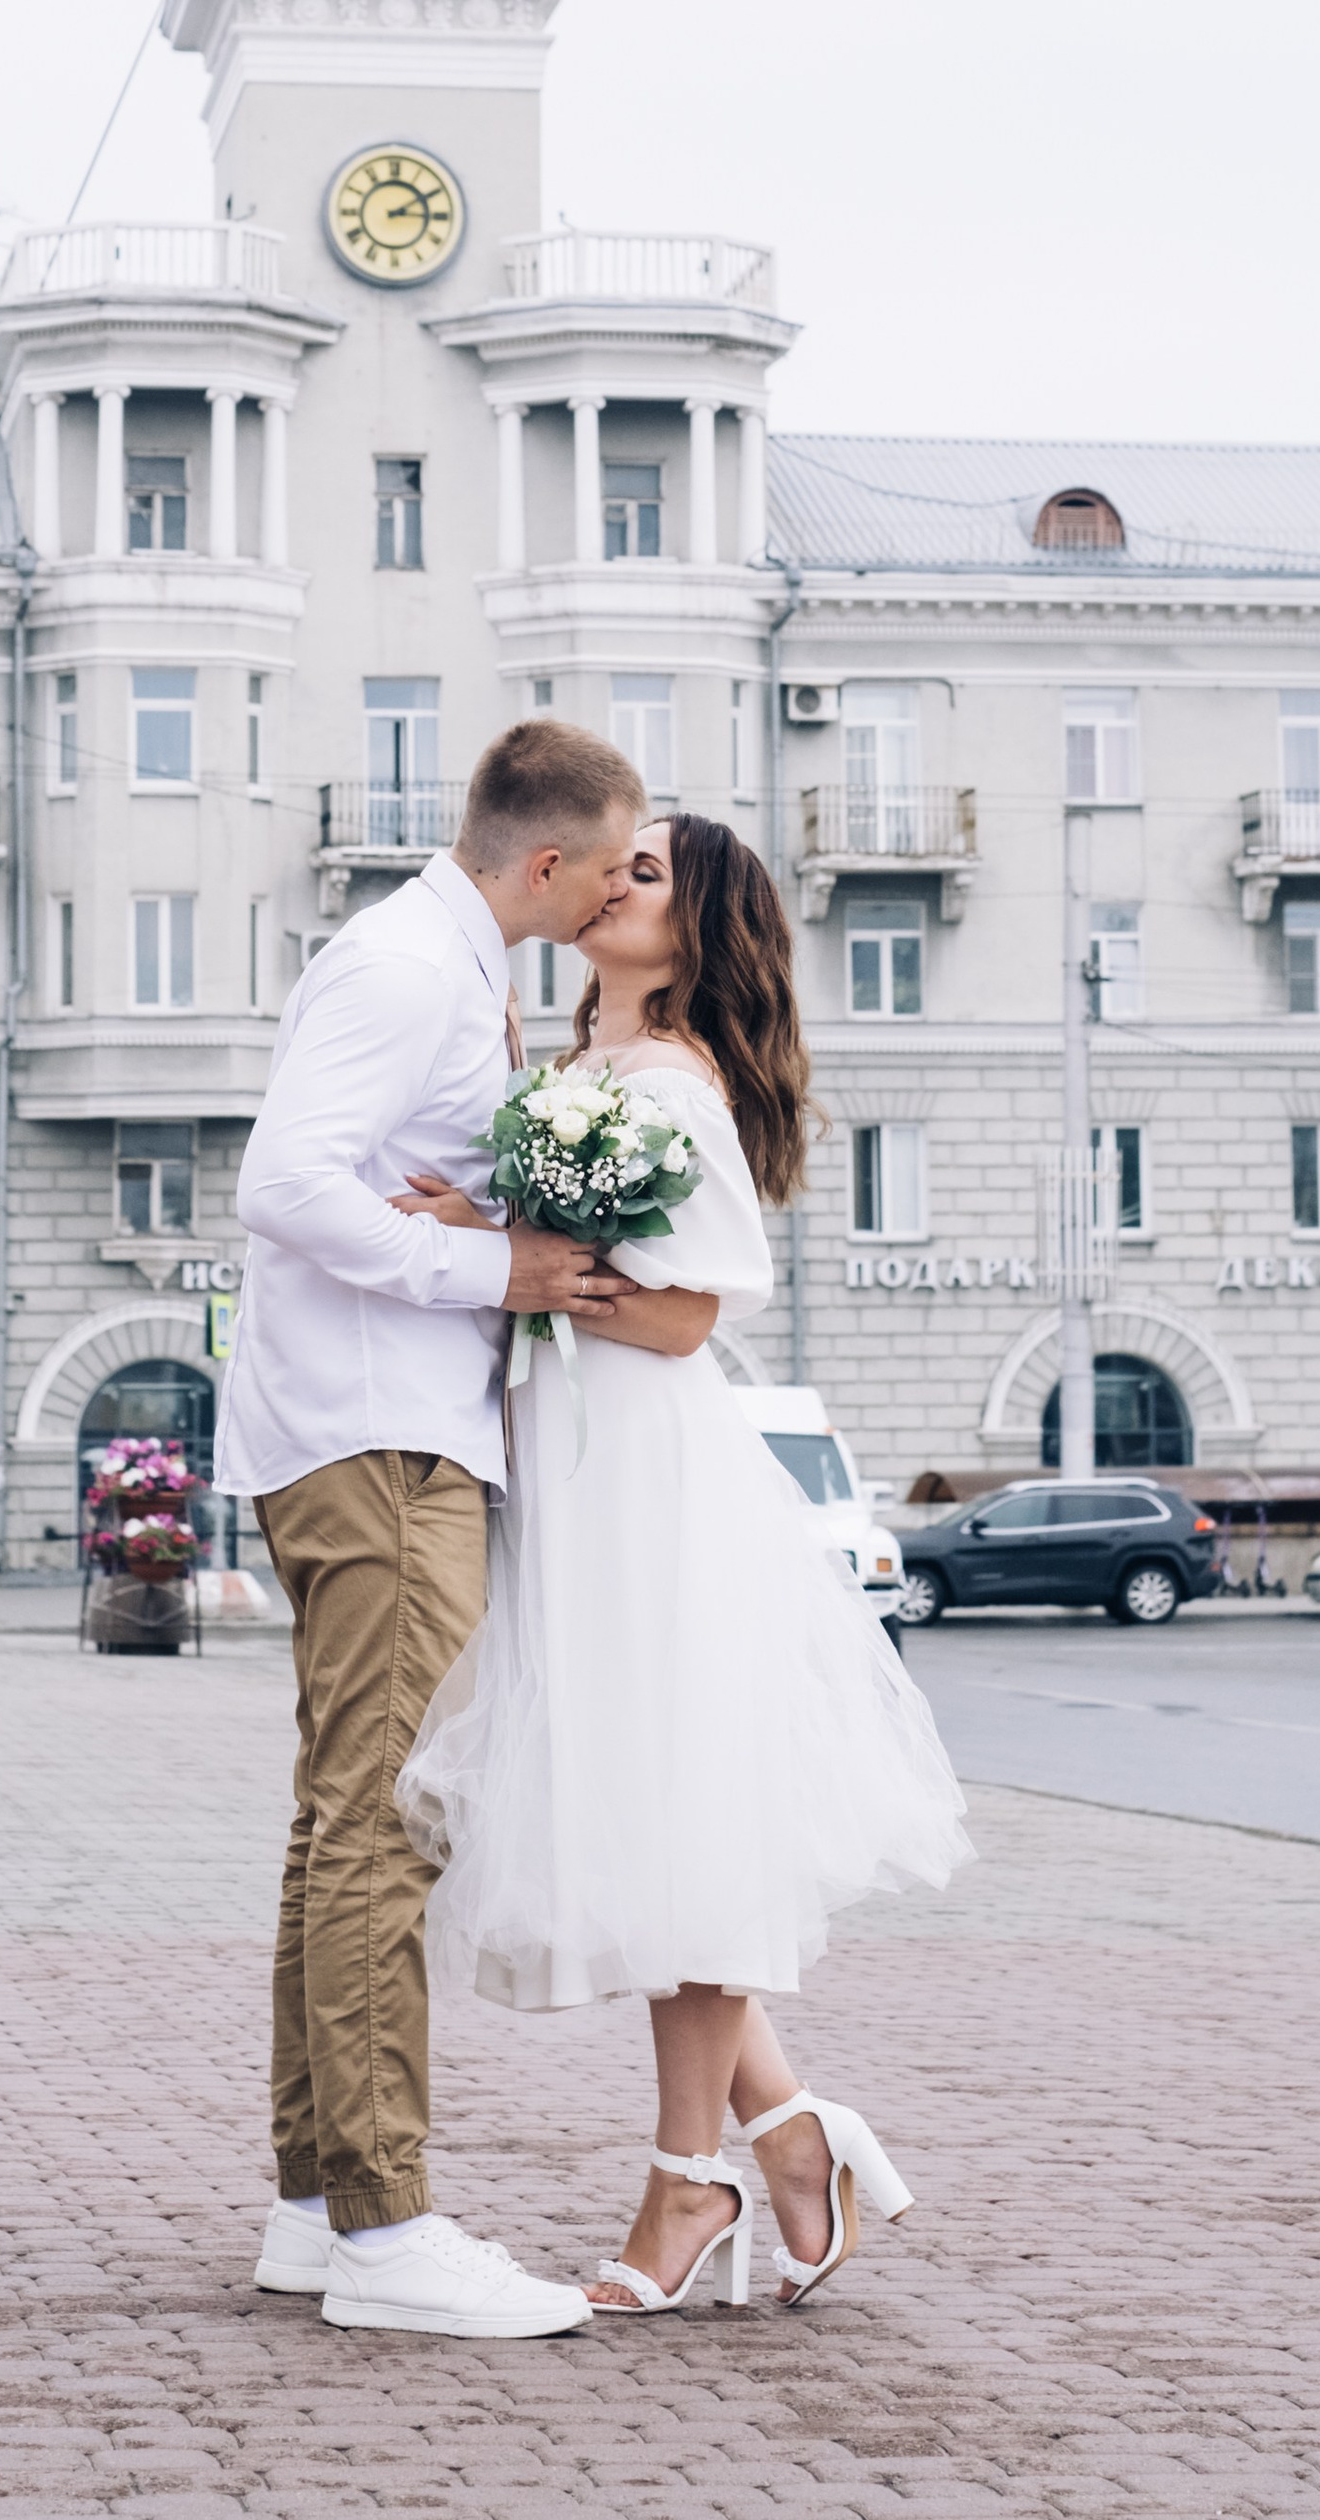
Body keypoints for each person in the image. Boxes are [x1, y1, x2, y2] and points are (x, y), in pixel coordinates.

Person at [398, 813, 974, 2316]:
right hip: (569, 1472)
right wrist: (492, 1233)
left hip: (646, 1478)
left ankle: (686, 2183)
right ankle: (790, 2140)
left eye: (643, 872)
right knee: (659, 1835)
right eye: (608, 862)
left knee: (681, 1832)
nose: (608, 881)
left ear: (697, 925)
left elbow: (682, 1318)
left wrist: (516, 1257)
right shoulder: (575, 1069)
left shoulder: (674, 1084)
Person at [222, 718, 646, 2343]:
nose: (624, 886)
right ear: (548, 863)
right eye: (614, 861)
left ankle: (324, 2205)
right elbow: (289, 1182)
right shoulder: (409, 968)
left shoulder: (443, 964)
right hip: (380, 1442)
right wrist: (499, 1275)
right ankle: (390, 2227)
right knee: (390, 1823)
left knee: (346, 1823)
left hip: (374, 1430)